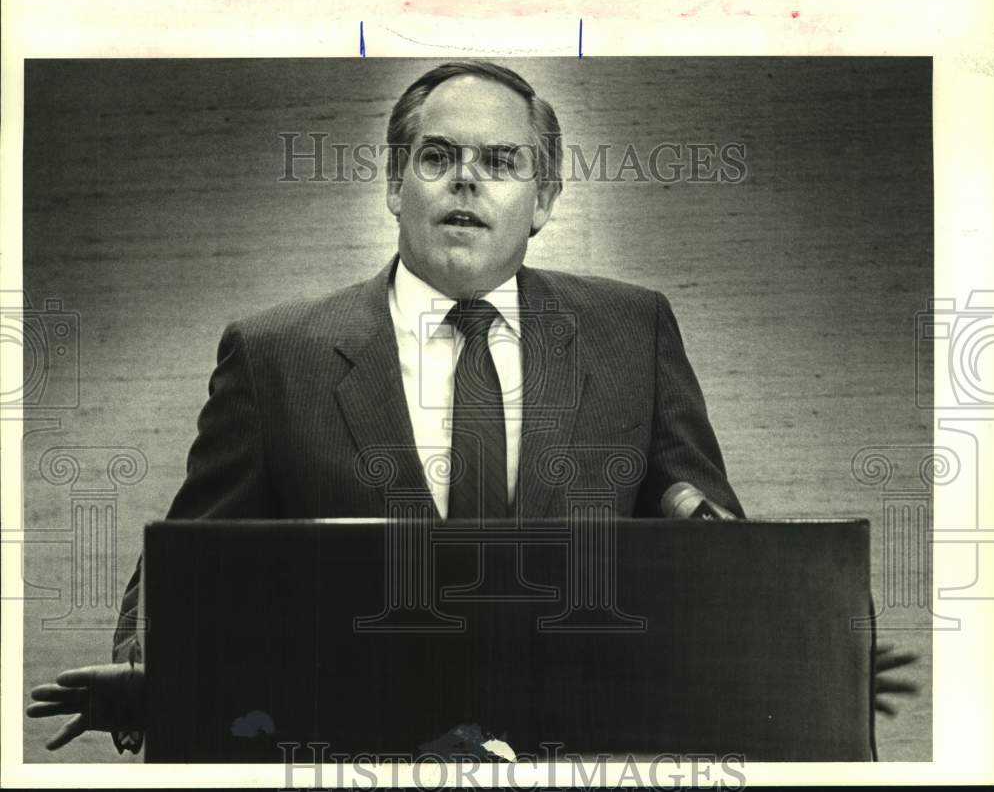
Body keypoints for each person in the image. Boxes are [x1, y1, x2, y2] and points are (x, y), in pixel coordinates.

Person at [26, 60, 915, 754]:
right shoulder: (275, 354)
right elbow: (190, 560)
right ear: (392, 184)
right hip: (348, 749)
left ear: (547, 198)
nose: (466, 181)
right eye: (438, 157)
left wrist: (804, 654)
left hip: (584, 752)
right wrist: (150, 674)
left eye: (500, 162)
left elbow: (707, 550)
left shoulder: (631, 331)